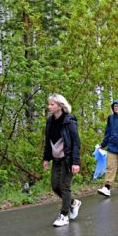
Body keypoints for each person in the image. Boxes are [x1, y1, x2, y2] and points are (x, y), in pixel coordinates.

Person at [42, 93, 81, 227]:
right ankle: (73, 203)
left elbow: (76, 142)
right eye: (49, 104)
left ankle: (64, 215)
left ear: (60, 106)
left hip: (68, 159)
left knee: (64, 186)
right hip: (56, 159)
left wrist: (75, 162)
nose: (49, 107)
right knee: (55, 186)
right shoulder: (50, 121)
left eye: (52, 104)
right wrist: (46, 158)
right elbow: (48, 141)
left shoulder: (69, 121)